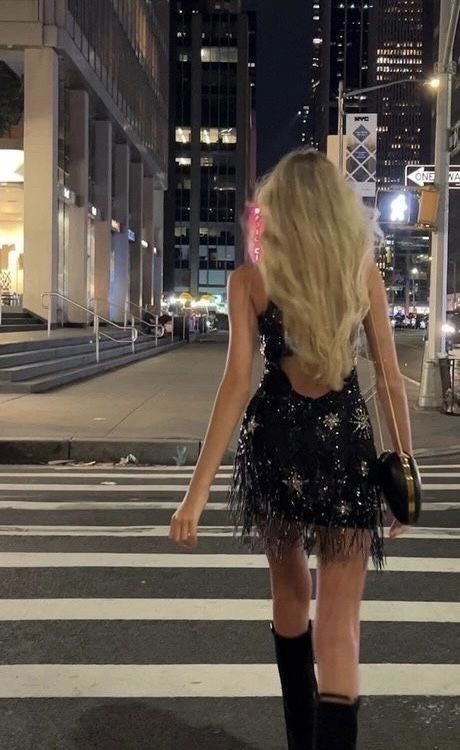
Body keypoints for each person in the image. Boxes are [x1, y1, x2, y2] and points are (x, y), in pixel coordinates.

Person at [169, 149, 412, 750]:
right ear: (336, 211)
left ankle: (301, 740)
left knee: (289, 595)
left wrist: (194, 497)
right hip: (344, 449)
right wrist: (402, 470)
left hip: (277, 446)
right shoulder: (361, 273)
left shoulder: (250, 282)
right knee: (339, 624)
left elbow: (235, 385)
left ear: (277, 211)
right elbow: (388, 380)